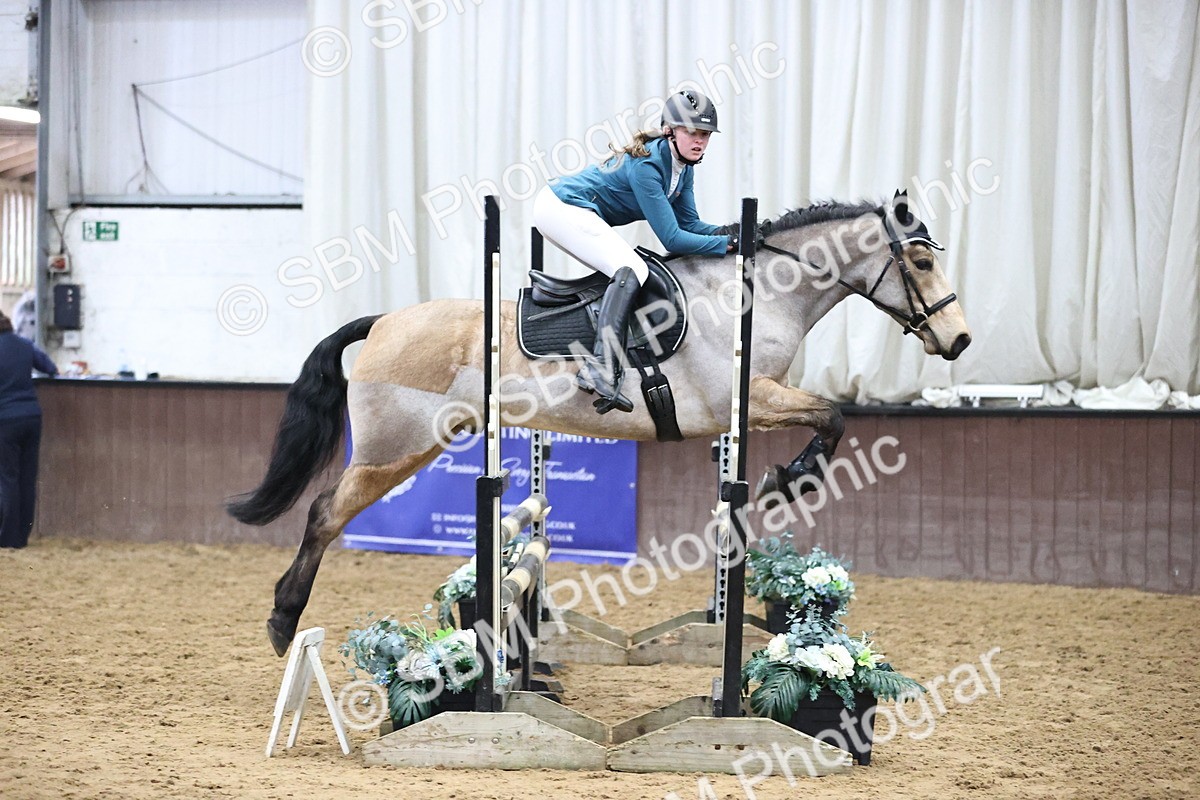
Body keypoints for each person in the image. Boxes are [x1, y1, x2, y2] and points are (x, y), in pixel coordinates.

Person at [533, 89, 735, 414]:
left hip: (570, 208)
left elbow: (691, 225)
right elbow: (673, 239)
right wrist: (726, 244)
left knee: (628, 268)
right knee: (633, 268)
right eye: (692, 132)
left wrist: (734, 234)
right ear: (670, 131)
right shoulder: (648, 167)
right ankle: (599, 367)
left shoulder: (684, 168)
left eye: (705, 134)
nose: (700, 141)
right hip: (561, 207)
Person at [0, 309, 57, 548]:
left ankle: (9, 538)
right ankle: (23, 536)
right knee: (27, 478)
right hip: (32, 417)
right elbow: (50, 368)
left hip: (6, 420)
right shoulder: (25, 344)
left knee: (8, 478)